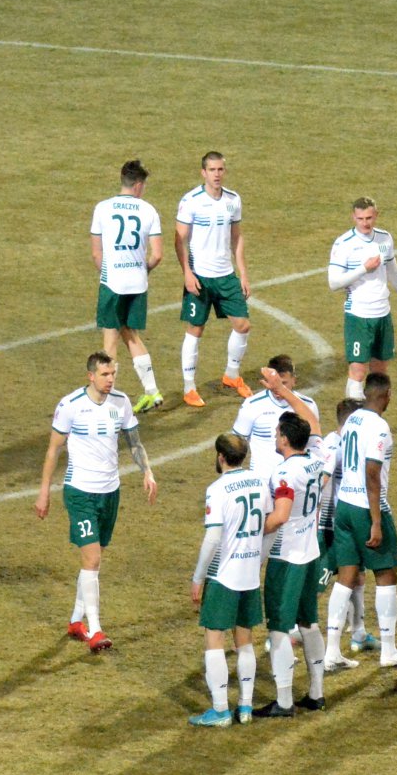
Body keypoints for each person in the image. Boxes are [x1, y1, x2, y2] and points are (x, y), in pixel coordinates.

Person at [35, 352, 158, 654]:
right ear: (91, 376)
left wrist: (147, 472)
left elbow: (135, 442)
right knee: (91, 560)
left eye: (113, 373)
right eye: (104, 374)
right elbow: (53, 450)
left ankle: (76, 621)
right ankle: (96, 629)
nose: (110, 379)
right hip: (80, 492)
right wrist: (44, 491)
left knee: (94, 561)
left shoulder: (121, 402)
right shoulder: (71, 405)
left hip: (110, 492)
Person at [323, 371, 397, 670]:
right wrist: (376, 521)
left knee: (345, 577)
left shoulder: (352, 419)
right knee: (386, 575)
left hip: (344, 506)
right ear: (387, 395)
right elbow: (372, 473)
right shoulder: (379, 427)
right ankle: (389, 650)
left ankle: (331, 652)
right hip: (366, 509)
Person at [253, 405, 330, 717]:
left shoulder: (285, 472)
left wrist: (253, 530)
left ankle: (284, 701)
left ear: (285, 439)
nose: (275, 437)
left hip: (287, 558)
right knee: (309, 622)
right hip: (311, 553)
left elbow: (280, 516)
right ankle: (316, 693)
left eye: (277, 433)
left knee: (279, 628)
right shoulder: (316, 460)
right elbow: (314, 425)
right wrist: (285, 393)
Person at [190, 433, 270, 726]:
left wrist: (198, 577)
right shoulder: (260, 482)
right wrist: (258, 558)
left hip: (223, 574)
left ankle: (221, 710)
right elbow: (271, 527)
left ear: (221, 457)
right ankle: (246, 707)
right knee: (244, 640)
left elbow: (212, 539)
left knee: (214, 638)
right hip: (250, 574)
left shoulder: (217, 489)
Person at [173, 151, 253, 408]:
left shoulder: (233, 200)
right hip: (200, 277)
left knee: (242, 325)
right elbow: (179, 239)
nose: (217, 174)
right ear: (203, 172)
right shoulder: (191, 201)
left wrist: (243, 273)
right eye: (212, 170)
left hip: (226, 275)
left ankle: (231, 375)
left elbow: (237, 237)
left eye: (220, 169)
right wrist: (187, 273)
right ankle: (189, 387)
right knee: (195, 329)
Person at [89, 159, 165, 412]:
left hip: (113, 283)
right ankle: (152, 392)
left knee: (110, 340)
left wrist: (108, 274)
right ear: (139, 185)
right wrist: (143, 270)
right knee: (130, 334)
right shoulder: (149, 210)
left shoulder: (102, 208)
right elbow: (157, 255)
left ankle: (106, 400)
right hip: (137, 283)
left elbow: (96, 254)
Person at [327, 197, 397, 402]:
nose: (365, 223)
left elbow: (393, 271)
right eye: (360, 218)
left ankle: (374, 414)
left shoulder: (384, 239)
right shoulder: (344, 244)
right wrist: (363, 268)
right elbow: (333, 283)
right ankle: (352, 416)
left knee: (380, 373)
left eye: (369, 218)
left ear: (376, 215)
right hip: (358, 315)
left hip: (383, 314)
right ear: (353, 217)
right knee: (358, 371)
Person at [319, 397, 375, 670]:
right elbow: (323, 478)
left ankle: (358, 633)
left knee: (357, 576)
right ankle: (286, 631)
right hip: (331, 525)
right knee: (319, 582)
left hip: (350, 521)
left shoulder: (351, 441)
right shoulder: (333, 444)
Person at [231, 354, 319, 482]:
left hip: (296, 481)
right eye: (274, 383)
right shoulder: (252, 405)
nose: (278, 388)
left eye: (283, 383)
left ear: (294, 380)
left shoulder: (308, 406)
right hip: (262, 482)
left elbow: (314, 443)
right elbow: (236, 445)